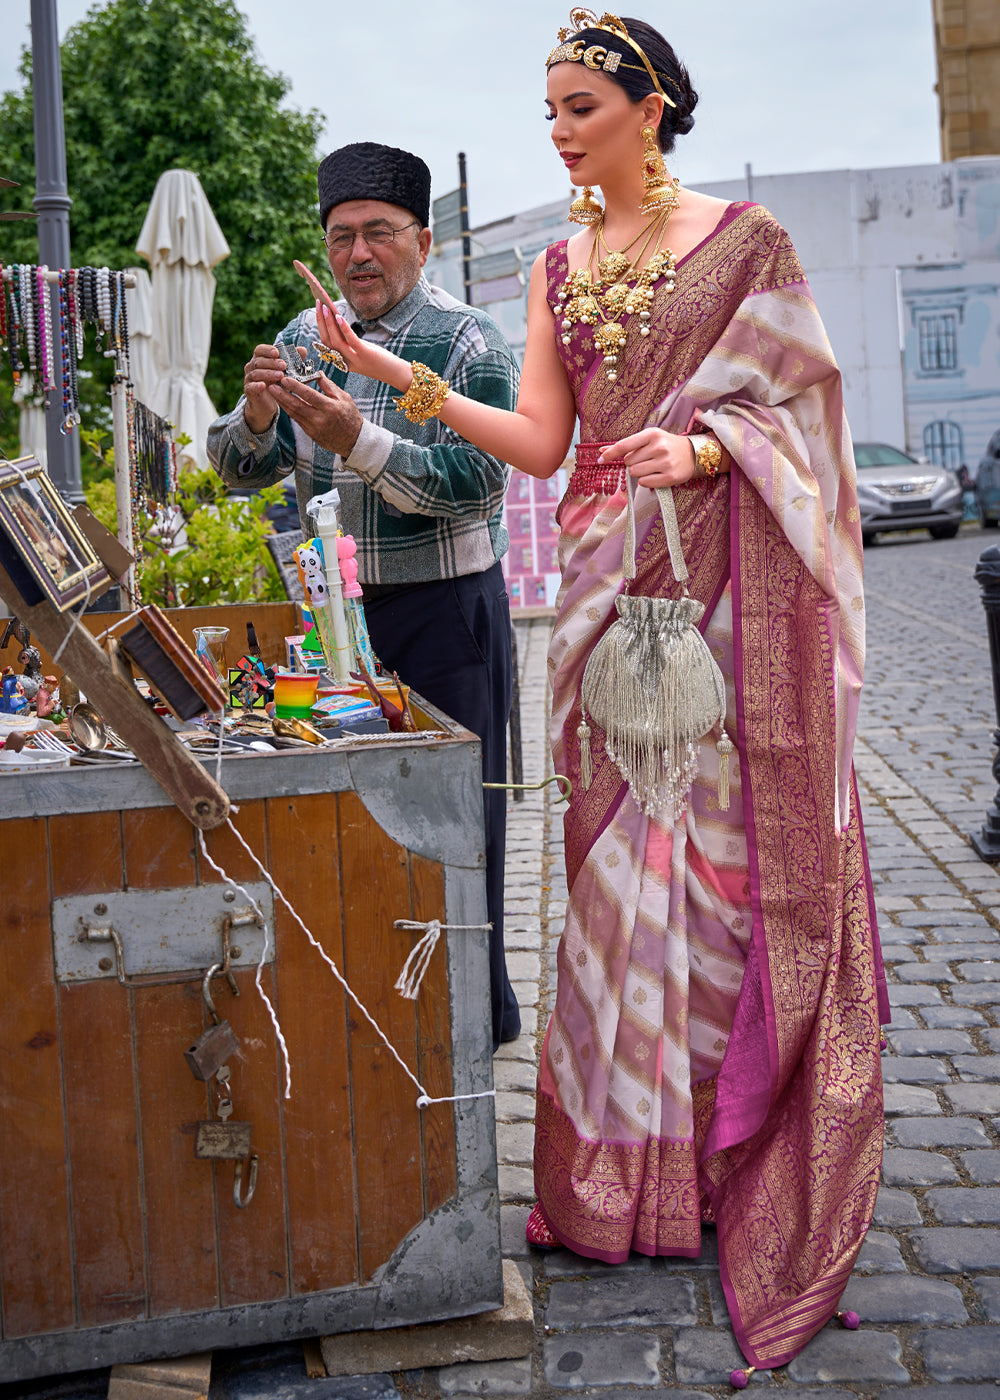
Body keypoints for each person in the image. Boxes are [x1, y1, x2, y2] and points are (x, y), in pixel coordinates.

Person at [309, 12, 889, 1375]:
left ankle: (714, 1154)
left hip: (720, 605)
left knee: (718, 881)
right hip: (598, 601)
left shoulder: (747, 243)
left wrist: (702, 445)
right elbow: (544, 445)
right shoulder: (560, 264)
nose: (559, 127)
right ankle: (620, 1181)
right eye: (550, 107)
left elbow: (803, 411)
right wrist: (406, 389)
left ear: (651, 107)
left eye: (579, 103)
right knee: (614, 875)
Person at [207, 142, 522, 1051]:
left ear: (422, 240)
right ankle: (375, 1017)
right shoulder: (307, 337)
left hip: (448, 616)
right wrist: (257, 418)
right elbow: (239, 472)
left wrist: (359, 440)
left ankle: (470, 1023)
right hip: (332, 623)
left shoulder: (467, 341)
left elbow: (480, 479)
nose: (358, 255)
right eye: (341, 237)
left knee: (461, 825)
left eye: (379, 234)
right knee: (348, 821)